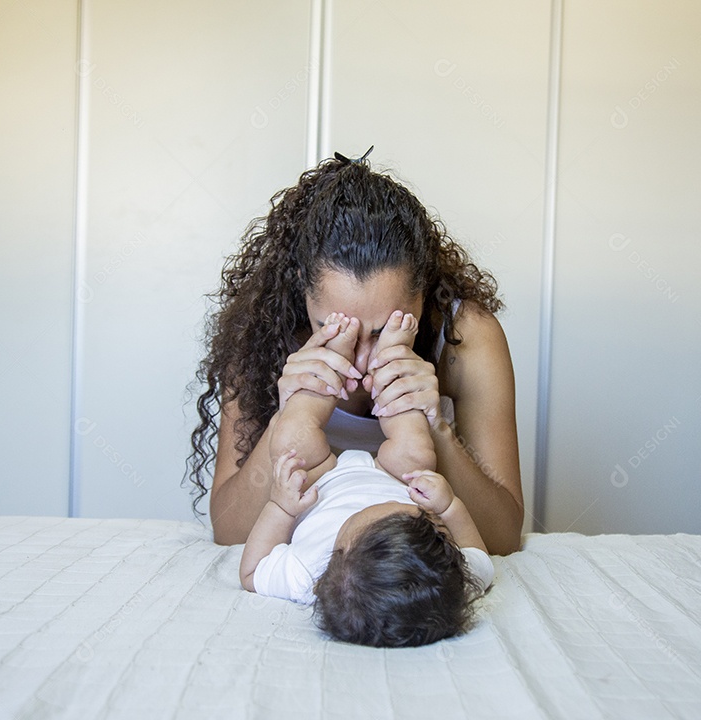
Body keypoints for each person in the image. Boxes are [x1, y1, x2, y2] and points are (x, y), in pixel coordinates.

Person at [189, 148, 523, 555]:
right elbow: (227, 530)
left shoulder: (467, 337)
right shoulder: (262, 333)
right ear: (302, 289)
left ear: (423, 294)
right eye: (334, 328)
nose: (362, 363)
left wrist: (434, 427)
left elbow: (504, 537)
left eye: (386, 331)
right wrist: (288, 417)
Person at [239, 311, 493, 647]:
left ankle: (328, 364)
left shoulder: (307, 575)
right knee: (416, 451)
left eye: (383, 515)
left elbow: (252, 571)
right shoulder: (450, 577)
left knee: (291, 443)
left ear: (338, 555)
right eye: (422, 523)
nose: (399, 508)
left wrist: (281, 507)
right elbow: (478, 553)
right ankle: (393, 364)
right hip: (396, 475)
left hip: (320, 482)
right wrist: (448, 507)